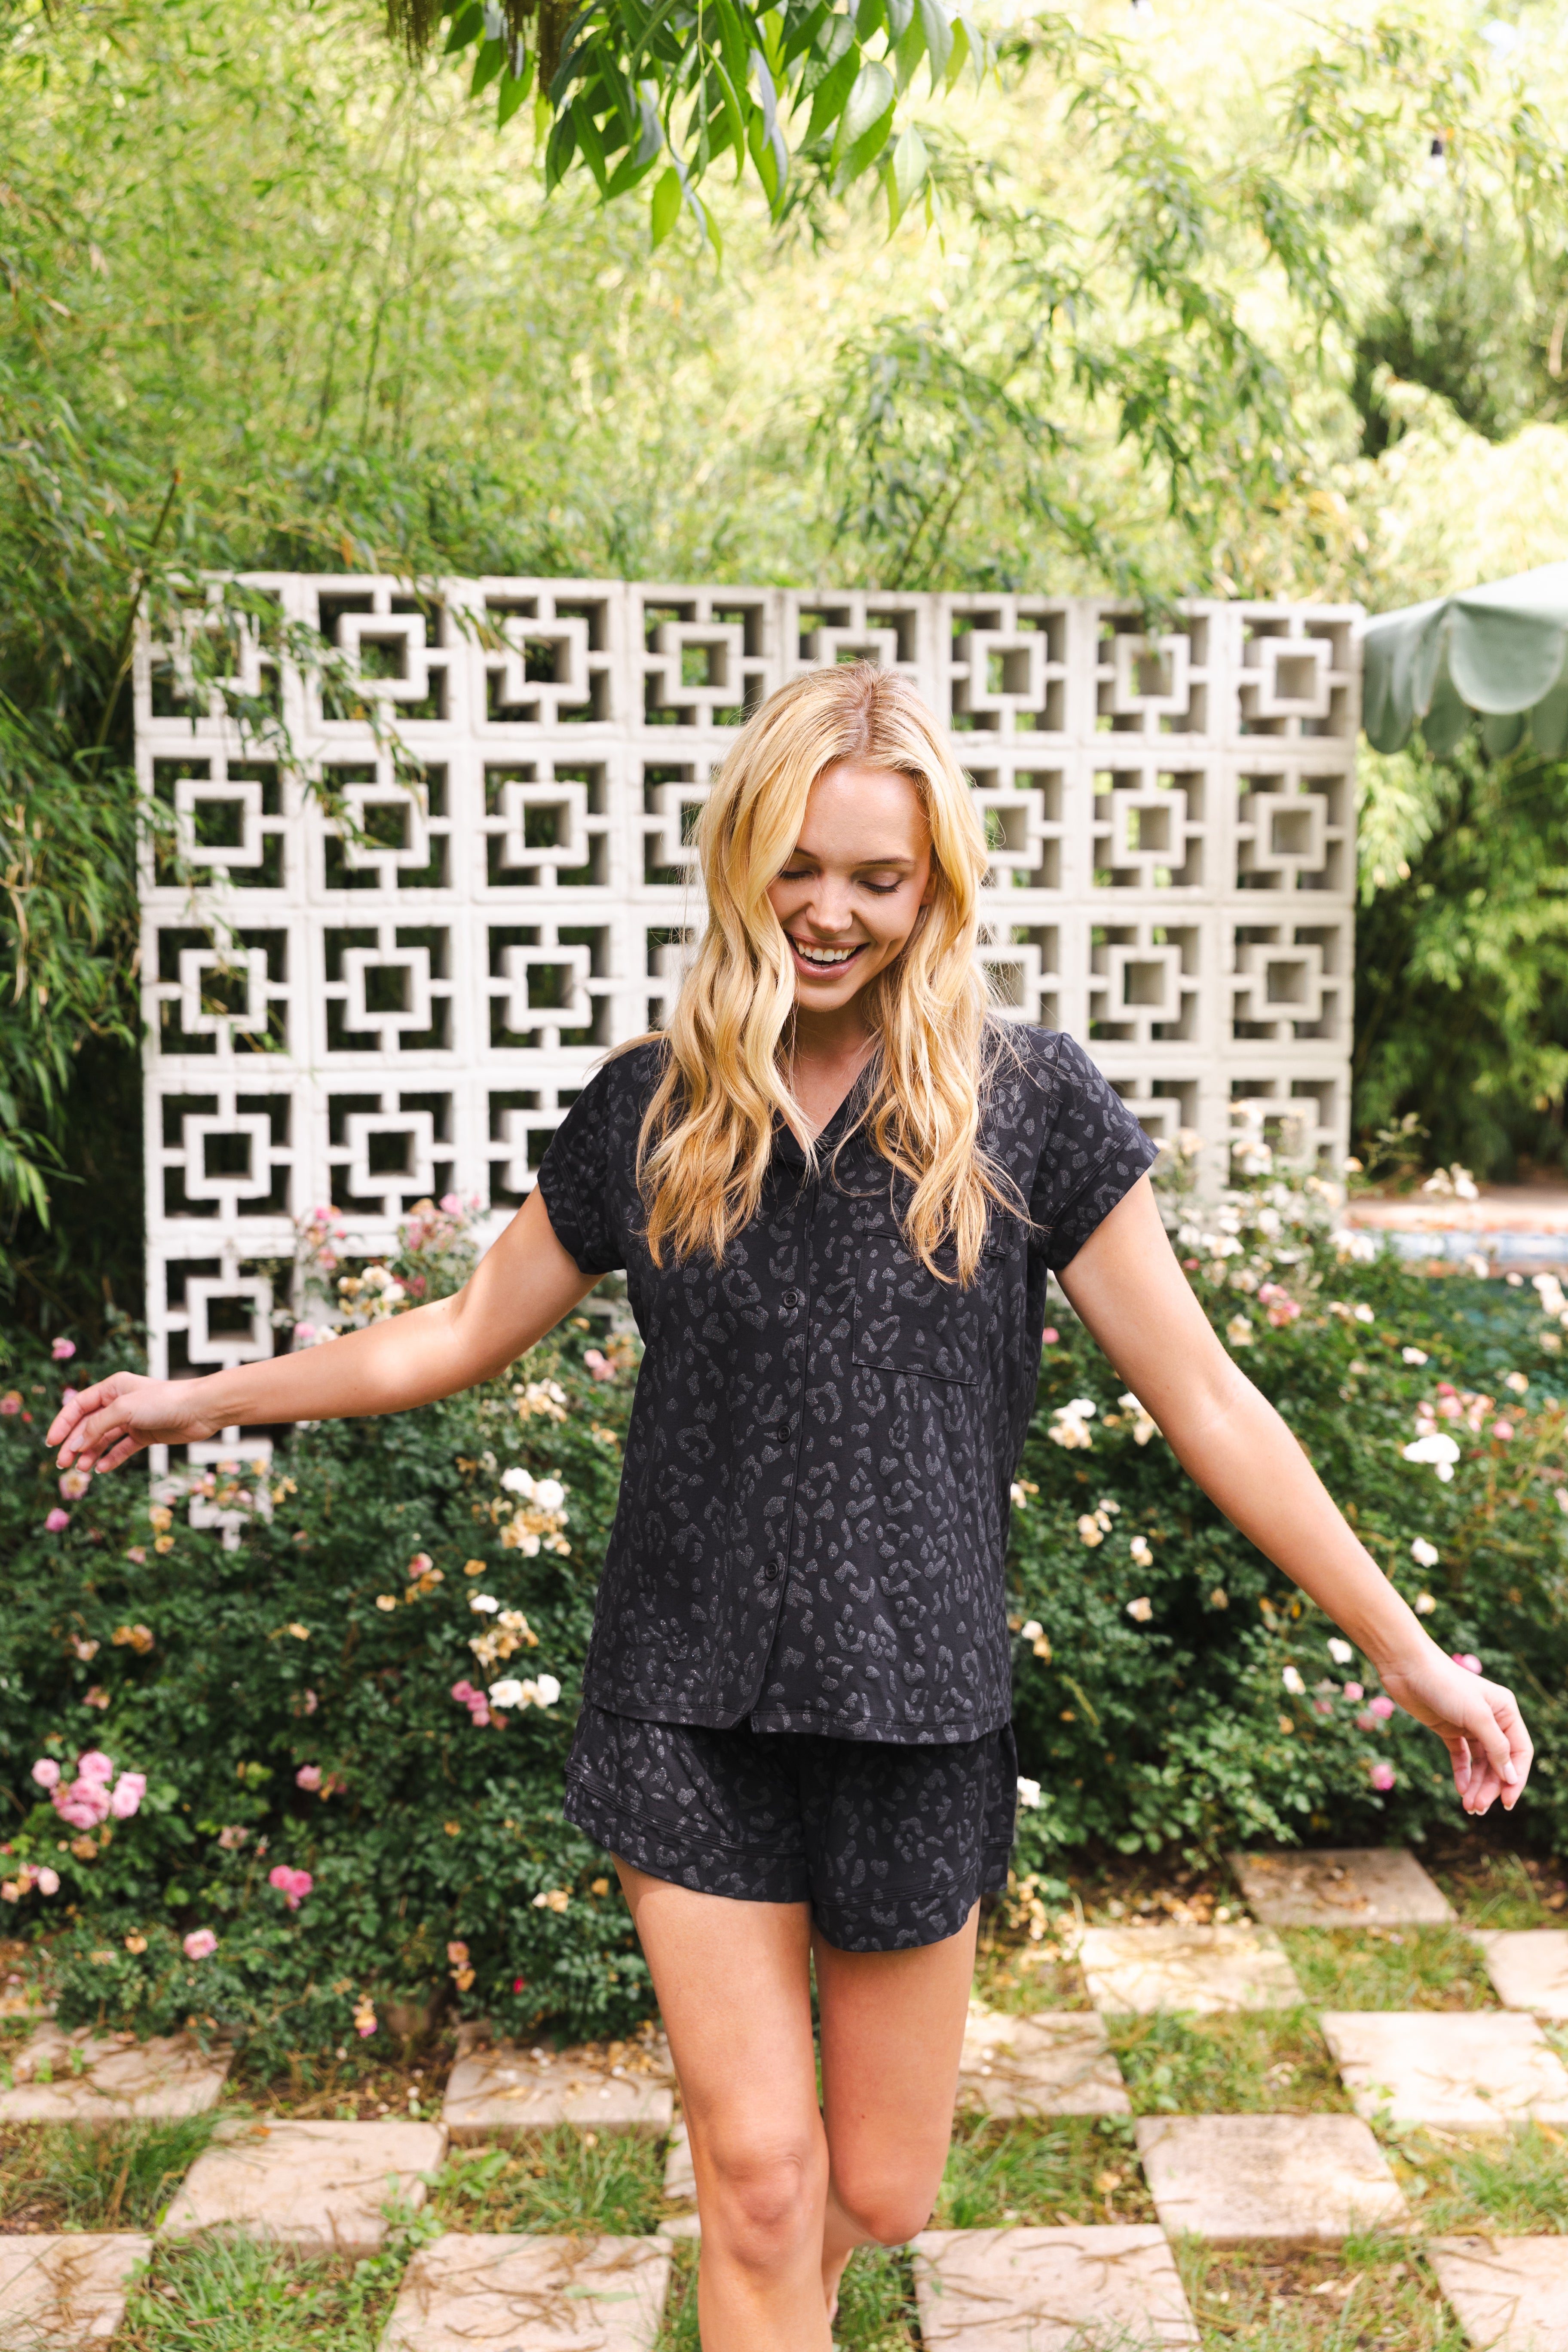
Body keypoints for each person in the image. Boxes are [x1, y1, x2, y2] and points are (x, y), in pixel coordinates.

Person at [51, 664, 1531, 2350]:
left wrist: (1410, 1657)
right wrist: (200, 1399)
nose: (830, 912)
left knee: (879, 2194)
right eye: (799, 865)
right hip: (688, 1700)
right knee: (757, 2180)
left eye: (877, 878)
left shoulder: (1025, 1106)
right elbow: (460, 1331)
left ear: (934, 887)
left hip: (920, 1711)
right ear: (744, 855)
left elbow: (1208, 1401)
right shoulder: (658, 1109)